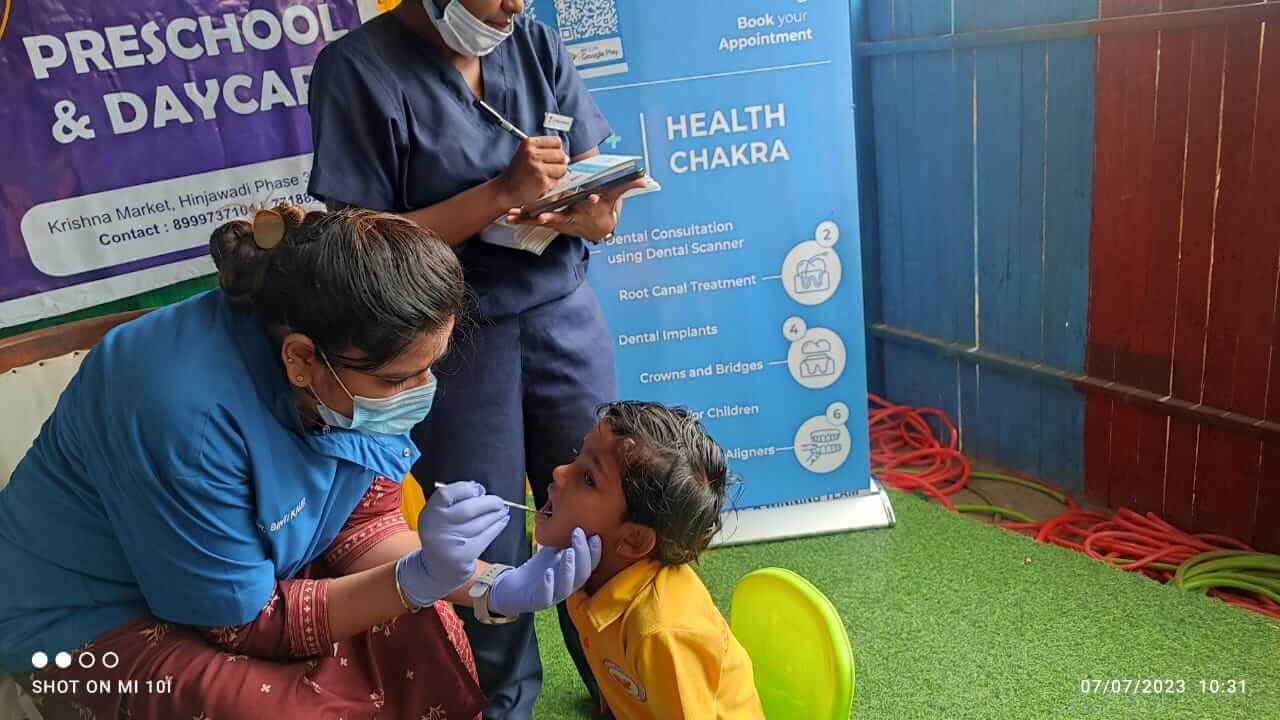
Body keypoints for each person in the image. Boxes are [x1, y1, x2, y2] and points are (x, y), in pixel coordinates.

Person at [0, 206, 600, 718]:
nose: (422, 392)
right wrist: (417, 578)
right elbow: (240, 623)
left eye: (430, 368)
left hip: (248, 573)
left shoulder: (343, 359)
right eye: (399, 379)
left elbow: (362, 522)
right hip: (84, 627)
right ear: (299, 360)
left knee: (424, 631)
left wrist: (485, 585)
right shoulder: (183, 412)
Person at [306, 1, 643, 715]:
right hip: (453, 336)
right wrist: (498, 196)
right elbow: (359, 244)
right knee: (484, 535)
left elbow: (595, 179)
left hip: (561, 310)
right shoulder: (357, 71)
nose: (514, 6)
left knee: (601, 511)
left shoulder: (534, 46)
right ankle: (501, 701)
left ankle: (622, 690)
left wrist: (598, 214)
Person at [539, 401, 765, 719]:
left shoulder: (663, 633)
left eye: (588, 478)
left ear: (633, 540)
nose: (560, 473)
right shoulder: (594, 577)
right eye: (579, 454)